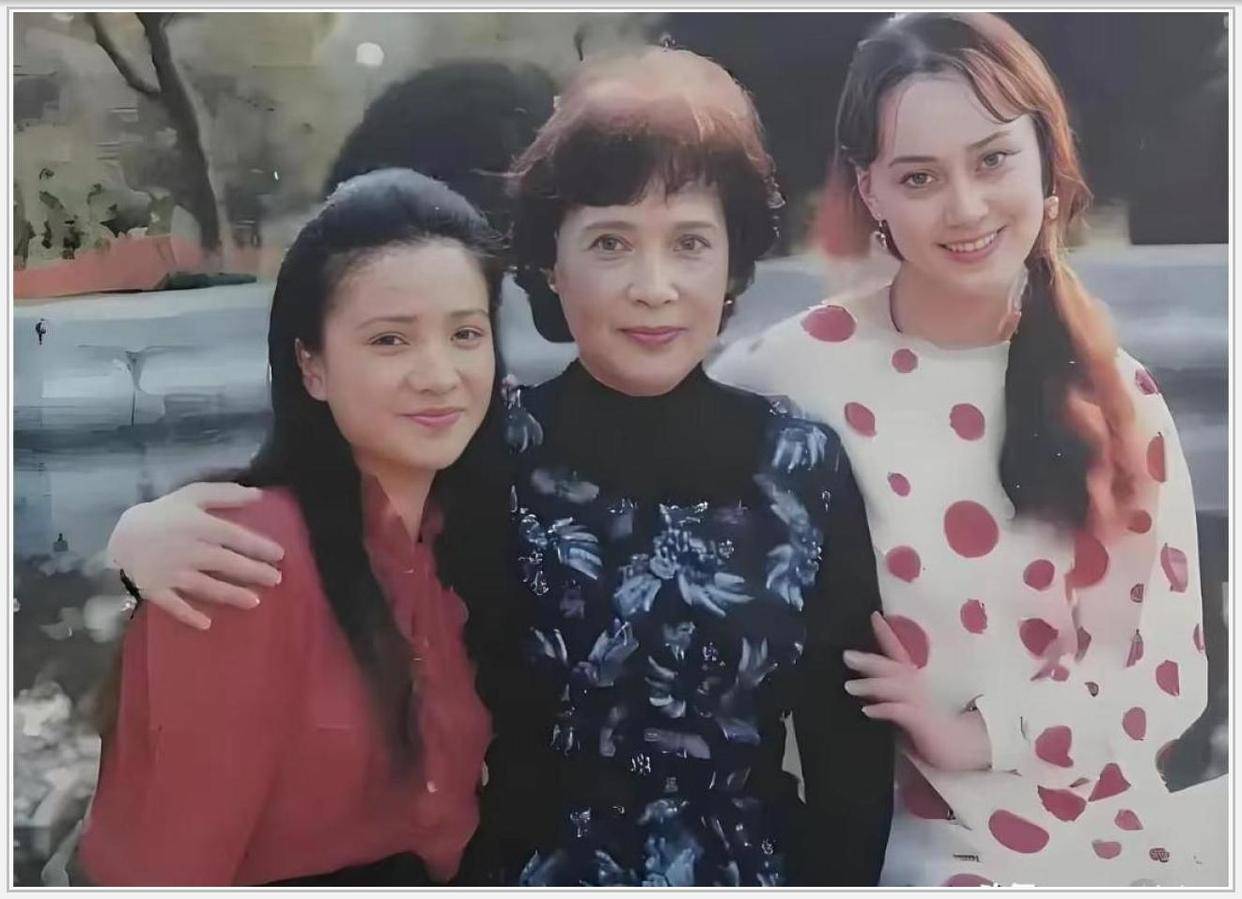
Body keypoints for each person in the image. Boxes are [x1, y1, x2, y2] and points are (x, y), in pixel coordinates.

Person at [103, 47, 894, 886]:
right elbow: (335, 520)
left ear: (733, 262)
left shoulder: (802, 464)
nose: (654, 286)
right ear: (552, 262)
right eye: (611, 243)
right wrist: (134, 542)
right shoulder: (485, 441)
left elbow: (848, 753)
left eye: (690, 243)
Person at [710, 12, 1210, 887]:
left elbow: (1167, 674)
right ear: (870, 191)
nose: (966, 207)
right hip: (887, 842)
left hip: (1101, 836)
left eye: (992, 160)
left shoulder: (1116, 396)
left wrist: (978, 733)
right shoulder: (783, 379)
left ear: (1045, 157)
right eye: (919, 176)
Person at [74, 170, 497, 885]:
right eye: (390, 340)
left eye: (465, 334)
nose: (439, 374)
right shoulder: (240, 557)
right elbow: (166, 865)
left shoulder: (467, 535)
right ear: (312, 365)